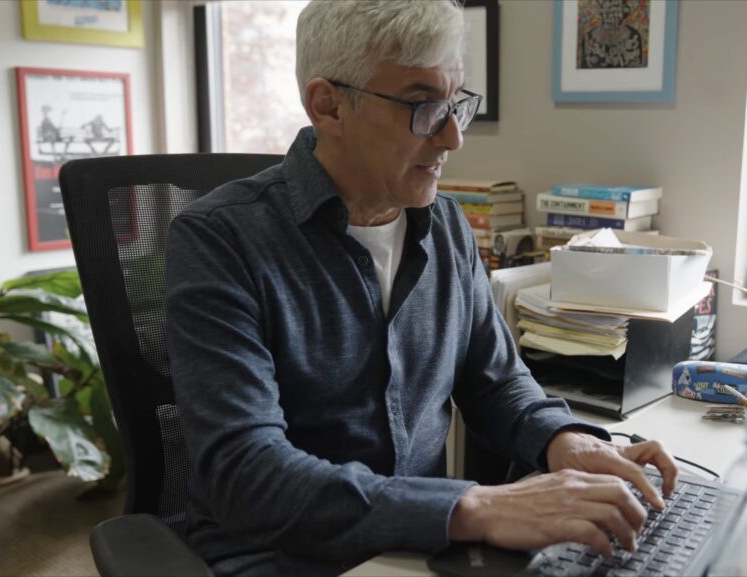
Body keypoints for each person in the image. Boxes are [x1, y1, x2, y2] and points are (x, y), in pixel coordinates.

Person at [165, 2, 679, 575]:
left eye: (455, 103)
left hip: (423, 545)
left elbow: (496, 382)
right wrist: (476, 505)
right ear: (328, 105)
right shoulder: (219, 239)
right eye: (423, 106)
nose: (453, 137)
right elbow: (245, 471)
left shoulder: (447, 225)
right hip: (284, 555)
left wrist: (564, 440)